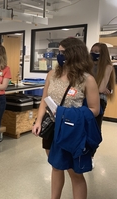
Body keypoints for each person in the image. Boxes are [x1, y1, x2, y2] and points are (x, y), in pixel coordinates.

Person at [32, 37, 100, 199]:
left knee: (74, 173)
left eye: (63, 52)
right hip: (52, 128)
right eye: (59, 52)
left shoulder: (87, 79)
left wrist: (67, 114)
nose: (59, 56)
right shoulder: (52, 75)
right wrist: (39, 121)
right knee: (56, 167)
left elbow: (95, 109)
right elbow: (44, 100)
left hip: (71, 130)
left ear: (74, 54)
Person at [90, 42, 115, 166]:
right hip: (86, 99)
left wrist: (101, 87)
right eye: (92, 50)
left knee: (95, 128)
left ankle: (91, 156)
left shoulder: (107, 67)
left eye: (96, 51)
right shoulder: (87, 66)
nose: (93, 53)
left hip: (99, 101)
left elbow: (101, 89)